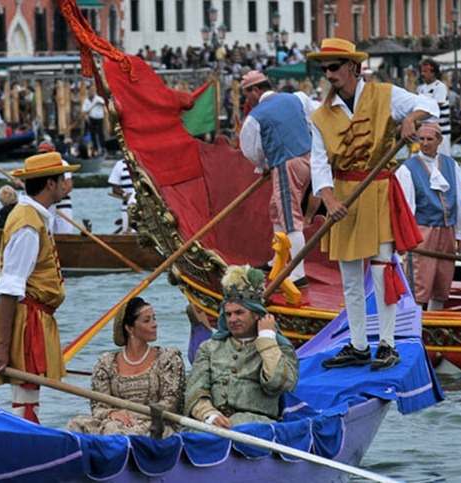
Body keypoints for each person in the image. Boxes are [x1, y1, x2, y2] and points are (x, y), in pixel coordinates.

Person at [306, 38, 438, 370]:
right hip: (345, 196)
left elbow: (429, 105)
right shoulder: (322, 115)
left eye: (334, 67)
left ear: (353, 67)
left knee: (382, 270)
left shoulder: (386, 95)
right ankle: (359, 345)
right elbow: (319, 163)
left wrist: (412, 118)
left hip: (378, 190)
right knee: (349, 277)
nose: (329, 74)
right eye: (324, 69)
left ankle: (388, 344)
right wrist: (329, 198)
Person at [0, 152, 79, 422]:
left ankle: (26, 438)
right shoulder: (27, 225)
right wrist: (3, 343)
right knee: (24, 397)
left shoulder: (34, 217)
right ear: (50, 183)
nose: (65, 184)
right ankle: (24, 443)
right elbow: (10, 287)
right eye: (62, 179)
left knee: (29, 394)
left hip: (34, 317)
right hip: (26, 320)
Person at [185, 265, 299, 428]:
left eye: (239, 313)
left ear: (257, 314)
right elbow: (195, 391)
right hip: (211, 425)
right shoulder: (209, 348)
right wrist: (209, 415)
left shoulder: (280, 348)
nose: (232, 319)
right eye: (229, 314)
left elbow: (279, 385)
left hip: (257, 426)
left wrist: (267, 340)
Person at [238, 70, 319, 287]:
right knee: (276, 208)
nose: (247, 100)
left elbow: (251, 150)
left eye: (247, 94)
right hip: (308, 158)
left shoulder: (256, 117)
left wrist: (265, 165)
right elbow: (314, 120)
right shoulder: (297, 98)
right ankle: (278, 259)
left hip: (286, 164)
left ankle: (297, 273)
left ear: (256, 90)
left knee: (290, 218)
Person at [66, 297, 186, 437]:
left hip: (155, 424)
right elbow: (98, 407)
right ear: (129, 328)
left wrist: (129, 416)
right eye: (147, 320)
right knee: (75, 424)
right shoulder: (107, 363)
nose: (155, 324)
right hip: (115, 422)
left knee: (114, 430)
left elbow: (170, 404)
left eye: (154, 318)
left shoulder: (168, 359)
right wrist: (112, 413)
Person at [397, 123, 461, 311]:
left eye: (430, 139)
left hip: (447, 231)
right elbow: (406, 209)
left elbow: (459, 200)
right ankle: (415, 324)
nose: (425, 143)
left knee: (442, 282)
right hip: (422, 232)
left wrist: (460, 235)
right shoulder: (407, 169)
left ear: (439, 140)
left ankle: (435, 319)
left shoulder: (451, 164)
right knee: (420, 282)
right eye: (421, 139)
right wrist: (405, 240)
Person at [38, 141, 75, 234]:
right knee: (47, 234)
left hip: (62, 205)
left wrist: (55, 198)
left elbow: (68, 185)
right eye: (40, 153)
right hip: (46, 206)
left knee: (65, 234)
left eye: (45, 153)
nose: (42, 155)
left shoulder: (62, 163)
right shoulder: (38, 166)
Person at [418, 59, 451, 156]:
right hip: (426, 131)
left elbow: (435, 107)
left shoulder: (439, 87)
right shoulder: (422, 88)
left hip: (441, 130)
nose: (422, 74)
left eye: (425, 72)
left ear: (433, 73)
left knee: (442, 158)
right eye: (422, 71)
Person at [108, 158, 136, 233]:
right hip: (127, 206)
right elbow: (115, 188)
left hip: (146, 205)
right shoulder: (120, 164)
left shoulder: (145, 161)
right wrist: (125, 194)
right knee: (128, 233)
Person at [81, 85, 106, 156]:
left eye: (92, 92)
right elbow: (84, 111)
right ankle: (95, 148)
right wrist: (86, 114)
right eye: (90, 92)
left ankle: (103, 148)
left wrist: (100, 103)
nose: (91, 93)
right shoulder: (86, 101)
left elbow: (105, 103)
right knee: (93, 134)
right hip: (92, 119)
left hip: (99, 119)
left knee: (101, 133)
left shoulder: (98, 99)